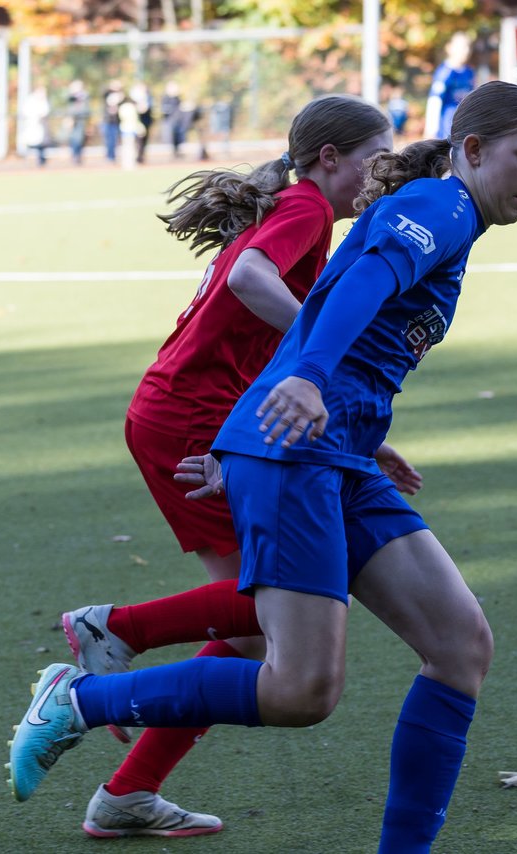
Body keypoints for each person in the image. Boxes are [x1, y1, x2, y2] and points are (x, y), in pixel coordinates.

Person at [9, 81, 517, 853]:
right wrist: (303, 379)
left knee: (462, 645)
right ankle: (82, 701)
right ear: (472, 151)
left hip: (330, 450)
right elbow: (361, 285)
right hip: (298, 446)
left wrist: (345, 424)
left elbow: (351, 300)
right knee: (301, 689)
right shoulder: (443, 206)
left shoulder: (451, 214)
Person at [52, 94, 397, 838]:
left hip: (195, 413)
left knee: (260, 630)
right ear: (331, 159)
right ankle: (113, 630)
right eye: (375, 157)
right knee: (285, 612)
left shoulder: (300, 207)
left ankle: (126, 794)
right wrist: (321, 352)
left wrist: (341, 416)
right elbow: (247, 281)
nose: (383, 171)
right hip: (191, 421)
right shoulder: (305, 208)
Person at [424, 32, 475, 140]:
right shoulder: (445, 73)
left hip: (464, 127)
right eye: (461, 47)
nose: (465, 51)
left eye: (467, 47)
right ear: (449, 48)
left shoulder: (469, 72)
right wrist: (431, 129)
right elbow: (435, 100)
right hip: (446, 128)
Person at [21, 83, 52, 167]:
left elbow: (46, 111)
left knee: (42, 144)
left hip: (41, 125)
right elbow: (26, 111)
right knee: (33, 143)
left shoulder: (44, 101)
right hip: (33, 125)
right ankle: (28, 159)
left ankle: (41, 160)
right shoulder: (31, 100)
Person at [66, 79, 90, 165]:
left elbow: (86, 109)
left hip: (81, 119)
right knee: (73, 138)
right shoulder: (71, 96)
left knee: (79, 138)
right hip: (72, 119)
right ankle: (74, 155)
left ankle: (78, 156)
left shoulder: (84, 95)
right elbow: (69, 100)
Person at [131, 82, 154, 165]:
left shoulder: (149, 97)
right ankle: (136, 156)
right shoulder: (134, 99)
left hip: (146, 121)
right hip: (136, 122)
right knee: (136, 140)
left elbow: (149, 108)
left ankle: (141, 156)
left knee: (144, 140)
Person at [102, 80, 124, 162]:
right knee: (108, 139)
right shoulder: (108, 93)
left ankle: (113, 157)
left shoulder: (121, 95)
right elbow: (103, 93)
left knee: (114, 139)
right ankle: (109, 156)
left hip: (116, 121)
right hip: (107, 120)